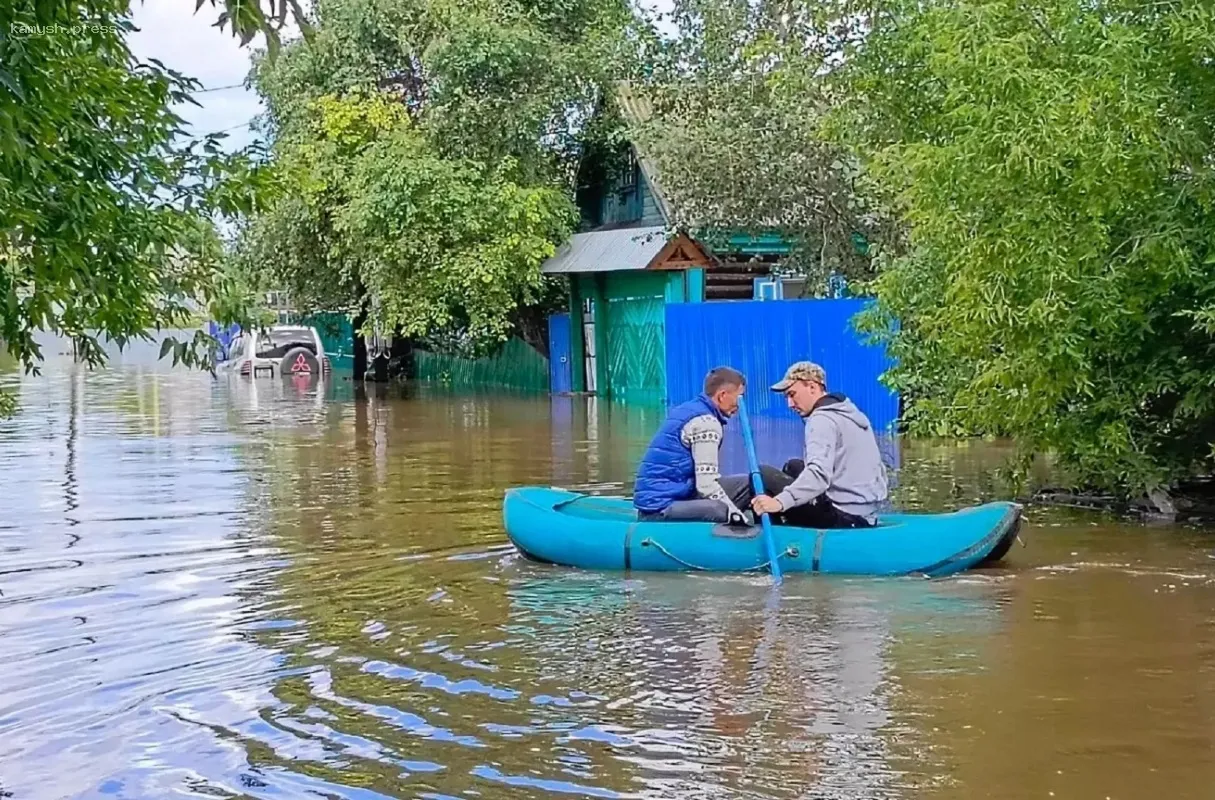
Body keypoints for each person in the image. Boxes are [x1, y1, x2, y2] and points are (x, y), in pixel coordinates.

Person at [633, 366, 785, 523]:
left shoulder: (690, 408)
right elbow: (706, 485)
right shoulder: (707, 424)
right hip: (659, 507)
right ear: (722, 395)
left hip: (679, 492)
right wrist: (734, 514)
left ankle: (769, 530)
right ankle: (752, 536)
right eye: (739, 398)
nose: (740, 405)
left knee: (751, 483)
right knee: (719, 509)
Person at [750, 361, 889, 529]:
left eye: (792, 394)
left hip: (845, 516)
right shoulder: (849, 412)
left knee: (762, 474)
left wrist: (779, 502)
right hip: (866, 511)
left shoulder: (821, 420)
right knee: (794, 466)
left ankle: (775, 535)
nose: (790, 404)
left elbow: (819, 475)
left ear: (812, 388)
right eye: (787, 397)